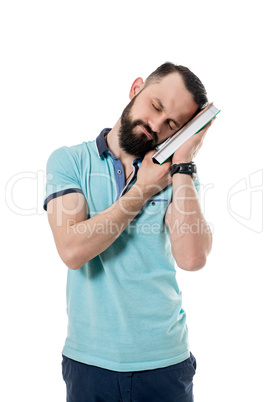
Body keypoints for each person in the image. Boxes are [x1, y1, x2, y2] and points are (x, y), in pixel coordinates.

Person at [44, 62, 213, 402]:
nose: (155, 126)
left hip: (164, 363)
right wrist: (142, 190)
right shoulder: (70, 161)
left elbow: (192, 258)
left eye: (172, 125)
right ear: (136, 89)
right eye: (156, 106)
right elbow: (73, 251)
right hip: (89, 362)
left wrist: (182, 167)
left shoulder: (177, 177)